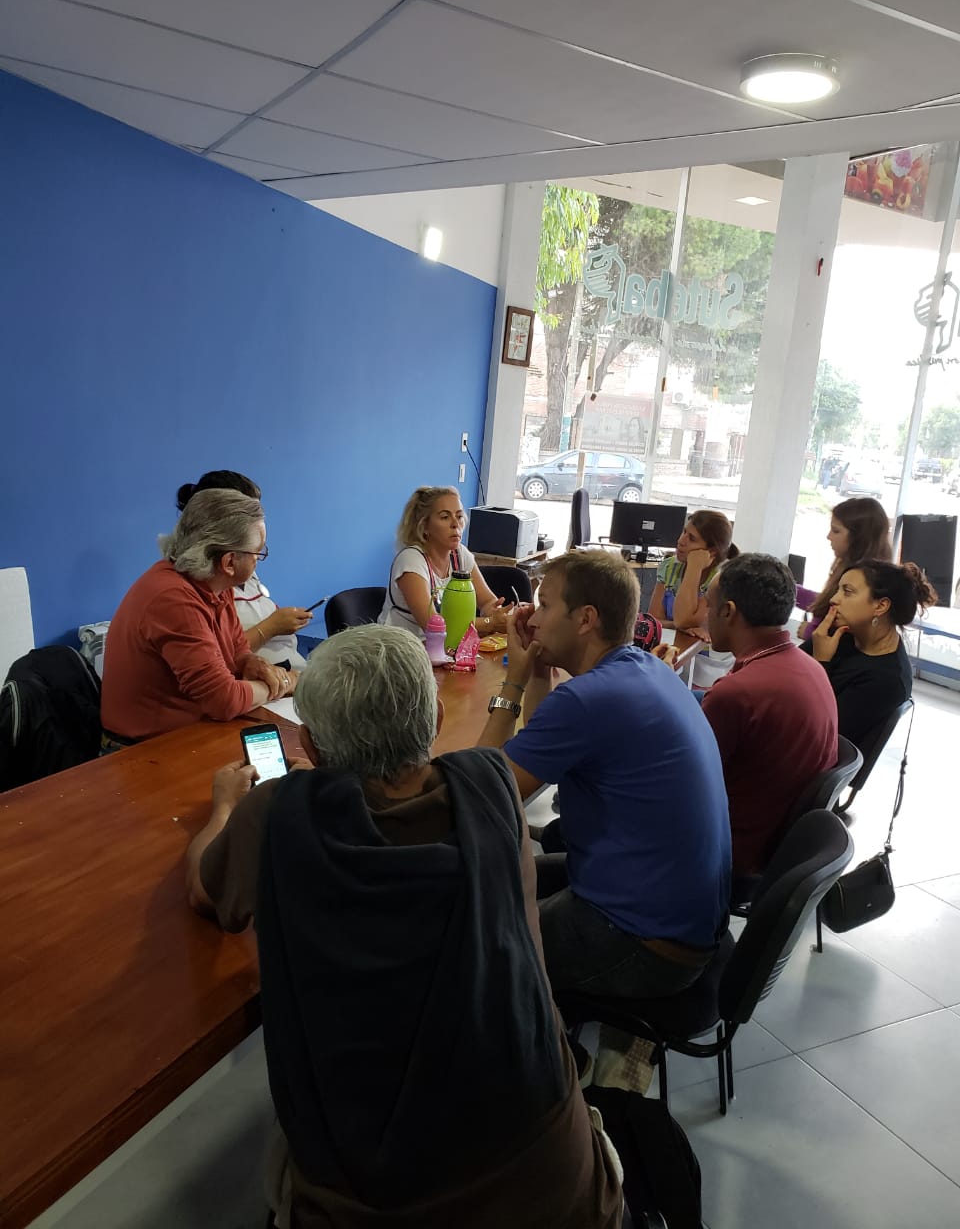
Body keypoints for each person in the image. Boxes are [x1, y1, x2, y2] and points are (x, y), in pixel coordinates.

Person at [186, 625, 623, 1229]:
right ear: (437, 716)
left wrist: (224, 807)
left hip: (369, 1200)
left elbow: (205, 893)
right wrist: (518, 682)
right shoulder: (493, 786)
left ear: (309, 744)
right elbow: (487, 757)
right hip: (561, 1186)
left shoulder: (277, 813)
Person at [479, 550, 731, 1001]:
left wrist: (513, 681)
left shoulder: (589, 699)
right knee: (490, 884)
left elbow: (479, 795)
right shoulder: (645, 669)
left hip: (645, 944)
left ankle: (536, 1039)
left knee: (471, 948)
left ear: (585, 619)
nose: (532, 619)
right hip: (681, 918)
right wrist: (539, 670)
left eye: (544, 605)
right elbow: (546, 748)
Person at [100, 489, 294, 742]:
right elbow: (223, 701)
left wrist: (252, 663)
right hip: (145, 747)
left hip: (189, 731)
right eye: (258, 552)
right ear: (229, 562)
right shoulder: (172, 599)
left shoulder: (215, 584)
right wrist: (283, 684)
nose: (258, 560)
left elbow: (236, 649)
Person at [699, 555, 838, 880]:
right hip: (777, 846)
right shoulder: (811, 667)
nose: (705, 615)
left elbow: (678, 783)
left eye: (709, 605)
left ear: (728, 611)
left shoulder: (737, 693)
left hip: (726, 852)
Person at [177, 471, 312, 670]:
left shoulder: (243, 564)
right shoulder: (195, 588)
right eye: (250, 514)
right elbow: (213, 660)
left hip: (287, 671)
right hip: (262, 681)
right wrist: (272, 627)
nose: (257, 523)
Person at [801, 559, 936, 747]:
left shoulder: (887, 680)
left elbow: (819, 733)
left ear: (880, 606)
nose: (834, 599)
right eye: (838, 590)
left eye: (847, 592)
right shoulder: (841, 635)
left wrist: (821, 663)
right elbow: (784, 676)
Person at [378, 486, 513, 637]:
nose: (455, 524)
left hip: (446, 645)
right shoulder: (410, 560)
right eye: (445, 517)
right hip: (402, 646)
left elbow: (487, 601)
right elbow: (433, 626)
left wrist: (497, 613)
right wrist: (489, 623)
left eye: (459, 516)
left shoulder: (460, 555)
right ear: (424, 526)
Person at [796, 497, 891, 640]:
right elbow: (826, 603)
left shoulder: (863, 578)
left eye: (836, 531)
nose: (829, 536)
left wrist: (810, 632)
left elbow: (847, 635)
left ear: (858, 537)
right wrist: (790, 590)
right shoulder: (846, 568)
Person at [648, 509, 738, 633]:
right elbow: (654, 621)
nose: (681, 541)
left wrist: (694, 567)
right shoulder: (669, 566)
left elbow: (683, 620)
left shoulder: (720, 579)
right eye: (684, 532)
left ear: (712, 551)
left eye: (692, 539)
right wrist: (681, 627)